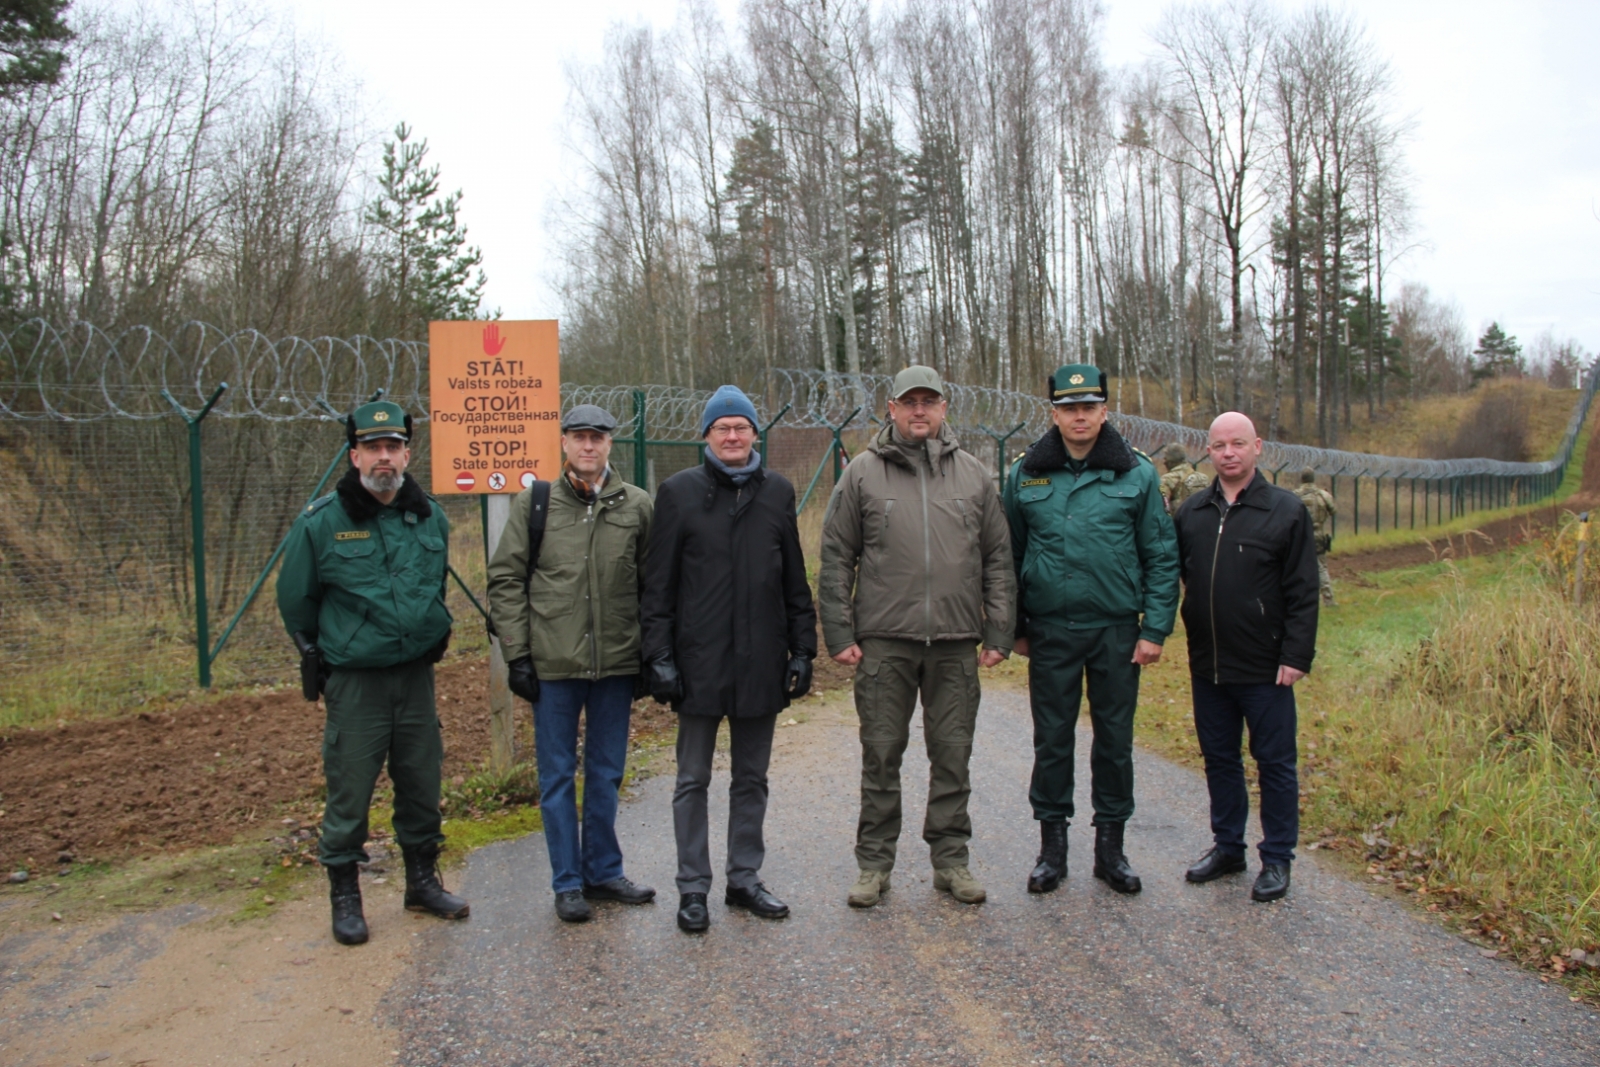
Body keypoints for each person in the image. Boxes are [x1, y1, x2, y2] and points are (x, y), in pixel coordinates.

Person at [819, 365, 1015, 909]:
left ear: (944, 408)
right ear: (892, 407)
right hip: (885, 642)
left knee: (953, 755)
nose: (920, 411)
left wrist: (998, 630)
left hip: (955, 641)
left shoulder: (973, 475)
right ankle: (874, 865)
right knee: (881, 755)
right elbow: (836, 556)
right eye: (910, 402)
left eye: (930, 401)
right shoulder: (861, 474)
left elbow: (998, 557)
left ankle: (951, 860)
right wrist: (839, 631)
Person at [278, 400, 469, 946]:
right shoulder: (322, 524)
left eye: (393, 447)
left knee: (420, 780)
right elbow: (297, 602)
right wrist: (333, 654)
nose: (384, 458)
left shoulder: (428, 515)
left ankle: (422, 882)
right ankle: (346, 895)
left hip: (414, 677)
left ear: (408, 453)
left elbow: (432, 584)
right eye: (373, 448)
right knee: (351, 787)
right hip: (356, 680)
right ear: (354, 454)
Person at [641, 385, 817, 934]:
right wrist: (660, 657)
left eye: (742, 426)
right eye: (723, 428)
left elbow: (794, 578)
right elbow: (657, 587)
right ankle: (693, 888)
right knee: (692, 778)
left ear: (754, 434)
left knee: (751, 777)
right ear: (707, 437)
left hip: (760, 659)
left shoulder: (778, 493)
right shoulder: (679, 493)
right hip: (698, 663)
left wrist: (803, 648)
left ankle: (745, 879)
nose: (734, 436)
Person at [1004, 365, 1179, 896]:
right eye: (1069, 407)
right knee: (1052, 740)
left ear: (1105, 411)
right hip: (1052, 630)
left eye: (1089, 406)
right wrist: (1015, 627)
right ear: (1054, 414)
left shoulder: (1137, 473)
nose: (1079, 416)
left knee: (1115, 742)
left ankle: (1111, 850)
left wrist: (1155, 629)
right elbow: (1007, 555)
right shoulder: (1025, 474)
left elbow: (1160, 554)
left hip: (1116, 630)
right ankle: (1051, 851)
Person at [486, 404, 656, 923]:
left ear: (610, 445)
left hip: (615, 665)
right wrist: (517, 654)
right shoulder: (535, 505)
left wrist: (651, 654)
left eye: (597, 438)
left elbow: (654, 587)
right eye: (579, 437)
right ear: (564, 443)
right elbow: (506, 580)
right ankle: (567, 882)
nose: (588, 446)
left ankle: (603, 871)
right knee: (557, 776)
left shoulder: (638, 506)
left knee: (605, 774)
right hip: (553, 666)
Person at [1172, 413, 1319, 903]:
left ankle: (1277, 858)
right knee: (1219, 759)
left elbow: (1303, 590)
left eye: (1238, 444)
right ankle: (1227, 846)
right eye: (1218, 445)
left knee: (1274, 763)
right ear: (1207, 452)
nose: (1228, 453)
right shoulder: (1192, 513)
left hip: (1266, 667)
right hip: (1209, 663)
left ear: (1257, 447)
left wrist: (1296, 654)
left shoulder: (1286, 511)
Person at [1293, 468, 1337, 606]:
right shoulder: (1323, 495)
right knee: (1321, 567)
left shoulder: (1294, 496)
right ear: (1313, 479)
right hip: (1317, 533)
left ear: (1302, 479)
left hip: (1299, 535)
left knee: (1297, 567)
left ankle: (1299, 600)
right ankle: (1328, 599)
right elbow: (1333, 511)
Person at [1158, 443, 1199, 513]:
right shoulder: (1200, 477)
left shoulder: (1168, 478)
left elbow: (1160, 505)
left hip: (1177, 521)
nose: (1163, 462)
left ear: (1171, 460)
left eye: (1165, 458)